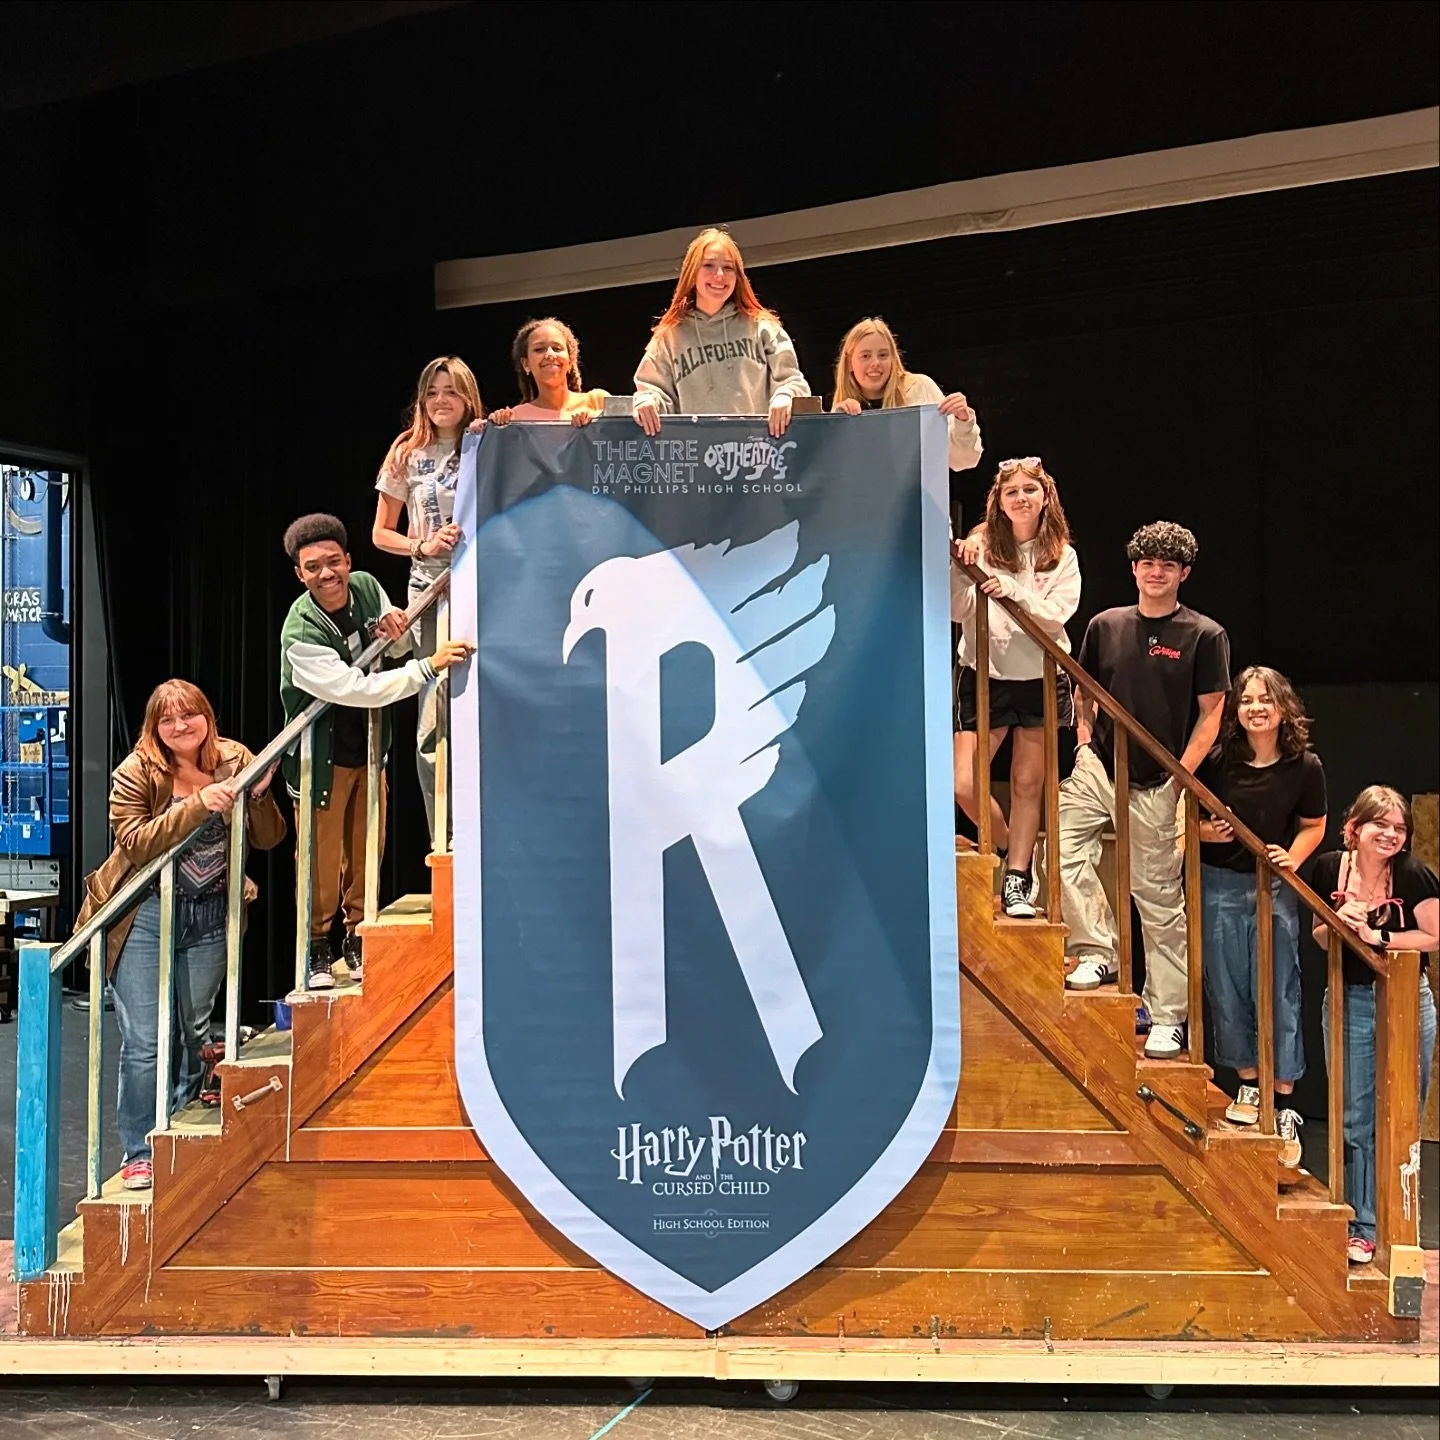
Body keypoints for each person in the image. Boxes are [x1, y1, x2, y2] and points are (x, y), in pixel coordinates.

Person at [75, 680, 287, 1190]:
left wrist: (258, 796)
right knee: (146, 1041)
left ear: (206, 717)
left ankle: (178, 1127)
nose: (180, 726)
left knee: (193, 1029)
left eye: (189, 715)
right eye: (167, 720)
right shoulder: (137, 770)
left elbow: (270, 837)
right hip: (144, 916)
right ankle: (139, 1150)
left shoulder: (235, 759)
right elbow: (135, 842)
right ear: (155, 728)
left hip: (211, 913)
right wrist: (198, 804)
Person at [1059, 521, 1230, 1061]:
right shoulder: (1106, 625)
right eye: (1148, 564)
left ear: (1183, 574)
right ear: (1134, 569)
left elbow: (1212, 713)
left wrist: (1181, 776)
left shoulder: (1204, 634)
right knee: (1060, 850)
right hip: (1100, 765)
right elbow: (1083, 691)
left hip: (1158, 779)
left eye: (1168, 566)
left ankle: (1167, 1015)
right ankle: (1096, 950)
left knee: (1157, 900)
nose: (1157, 573)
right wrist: (1084, 744)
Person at [281, 513, 473, 990]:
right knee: (321, 859)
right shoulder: (300, 631)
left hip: (368, 750)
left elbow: (396, 645)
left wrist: (396, 627)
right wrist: (427, 668)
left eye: (333, 562)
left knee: (367, 847)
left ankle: (356, 934)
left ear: (348, 560)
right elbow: (355, 688)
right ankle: (316, 946)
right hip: (320, 762)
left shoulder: (366, 587)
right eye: (313, 567)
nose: (326, 574)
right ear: (300, 575)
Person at [1196, 667, 1327, 1166]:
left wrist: (1292, 859)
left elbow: (1315, 825)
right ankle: (1249, 1087)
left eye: (1265, 700)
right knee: (1227, 988)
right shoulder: (1217, 761)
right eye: (1247, 700)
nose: (1255, 708)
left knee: (1279, 990)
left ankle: (1284, 1103)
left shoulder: (1304, 766)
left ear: (1283, 708)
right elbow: (1184, 817)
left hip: (1271, 888)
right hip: (1218, 886)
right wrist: (1205, 834)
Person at [1312, 786, 1439, 1265]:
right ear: (1355, 828)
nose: (1390, 835)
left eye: (1399, 828)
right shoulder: (1330, 868)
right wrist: (1338, 923)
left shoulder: (1413, 875)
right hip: (1349, 998)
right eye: (1380, 825)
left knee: (1404, 1112)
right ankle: (1363, 1225)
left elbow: (1434, 936)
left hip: (1406, 1001)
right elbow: (1319, 937)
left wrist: (1377, 935)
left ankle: (1399, 1222)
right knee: (1354, 1116)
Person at [950, 458, 1080, 916]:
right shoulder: (981, 544)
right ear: (999, 502)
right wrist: (960, 567)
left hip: (1041, 677)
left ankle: (1018, 879)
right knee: (964, 781)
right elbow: (957, 609)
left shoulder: (1062, 554)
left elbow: (1057, 614)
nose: (1021, 498)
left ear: (1046, 496)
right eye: (1012, 492)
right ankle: (1008, 849)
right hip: (984, 673)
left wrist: (1012, 589)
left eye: (1029, 490)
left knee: (1027, 782)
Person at [372, 355, 483, 842]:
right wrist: (423, 545)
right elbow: (380, 533)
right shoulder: (406, 452)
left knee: (488, 705)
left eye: (451, 390)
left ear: (468, 396)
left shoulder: (486, 441)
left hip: (485, 587)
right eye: (433, 392)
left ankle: (491, 825)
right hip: (430, 592)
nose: (441, 401)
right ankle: (446, 835)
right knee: (434, 717)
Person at [632, 227, 810, 439]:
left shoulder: (763, 327)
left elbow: (793, 381)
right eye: (708, 265)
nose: (719, 275)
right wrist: (648, 401)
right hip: (697, 454)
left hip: (759, 452)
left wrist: (785, 396)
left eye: (728, 268)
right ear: (692, 272)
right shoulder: (669, 337)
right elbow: (652, 391)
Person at [832, 316, 983, 471]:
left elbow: (964, 461)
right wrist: (837, 426)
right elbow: (834, 473)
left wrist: (963, 421)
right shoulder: (842, 410)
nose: (875, 363)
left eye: (883, 355)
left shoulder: (920, 389)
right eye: (865, 356)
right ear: (849, 363)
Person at [489, 318, 609, 426]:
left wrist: (598, 420)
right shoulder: (516, 418)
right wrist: (491, 426)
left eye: (557, 348)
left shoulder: (598, 401)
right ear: (526, 364)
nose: (550, 354)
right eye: (539, 349)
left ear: (571, 360)